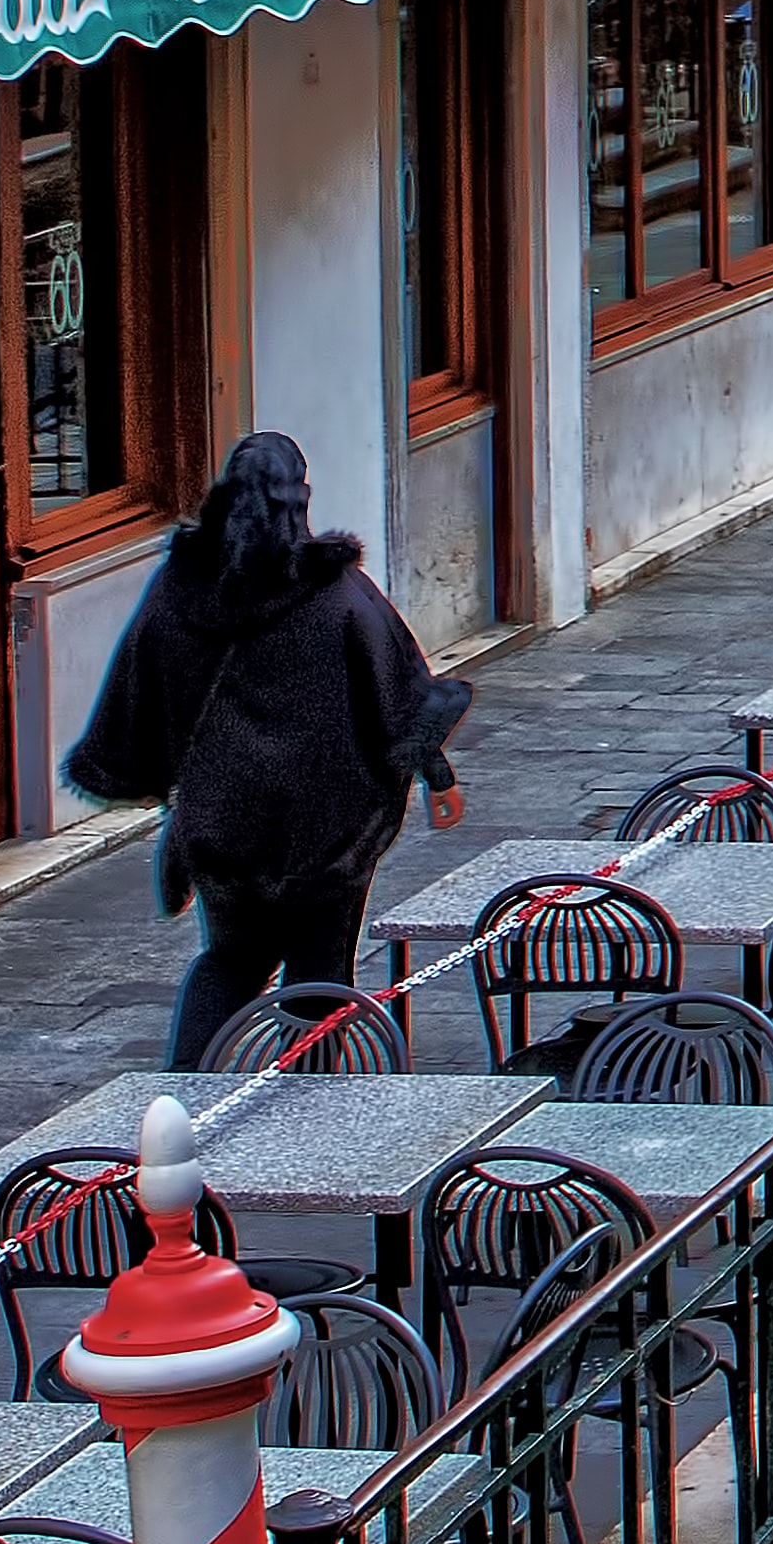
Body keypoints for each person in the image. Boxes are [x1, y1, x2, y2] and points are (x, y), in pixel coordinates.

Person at [65, 434, 472, 1070]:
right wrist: (438, 776)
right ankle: (304, 1119)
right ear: (298, 500)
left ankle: (186, 1102)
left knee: (229, 962)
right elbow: (399, 695)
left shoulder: (179, 590)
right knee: (319, 972)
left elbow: (138, 689)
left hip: (224, 828)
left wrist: (157, 783)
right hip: (327, 830)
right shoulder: (339, 594)